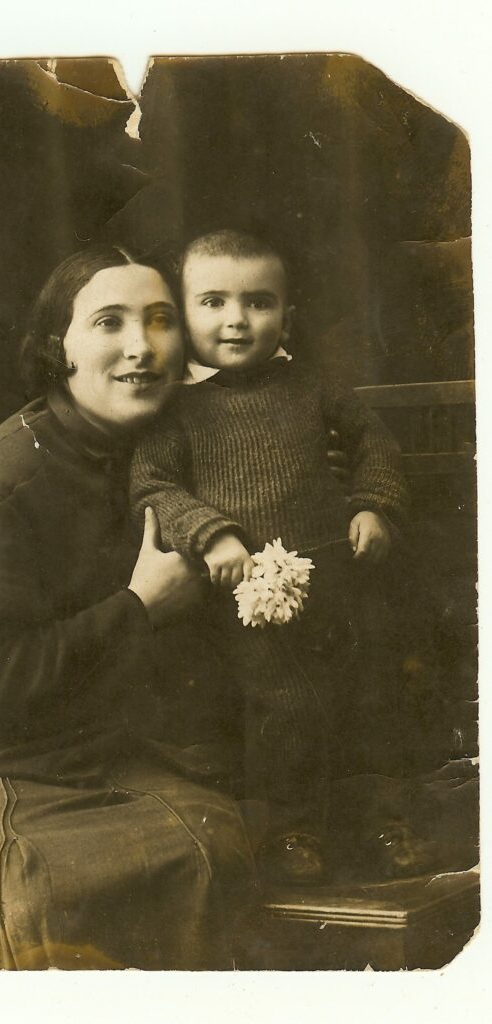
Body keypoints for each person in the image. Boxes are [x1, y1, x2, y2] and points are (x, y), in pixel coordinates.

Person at [0, 245, 258, 970]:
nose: (139, 348)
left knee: (214, 848)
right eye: (108, 322)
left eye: (158, 321)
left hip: (104, 751)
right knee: (40, 894)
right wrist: (138, 607)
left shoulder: (166, 453)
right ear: (61, 347)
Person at [130, 229, 430, 885]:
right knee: (282, 708)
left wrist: (372, 505)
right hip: (246, 603)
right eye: (212, 302)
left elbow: (373, 447)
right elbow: (152, 487)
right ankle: (292, 833)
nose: (236, 319)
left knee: (370, 698)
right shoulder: (173, 410)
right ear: (182, 313)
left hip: (342, 585)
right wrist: (212, 533)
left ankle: (383, 825)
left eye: (257, 302)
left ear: (285, 314)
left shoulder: (314, 388)